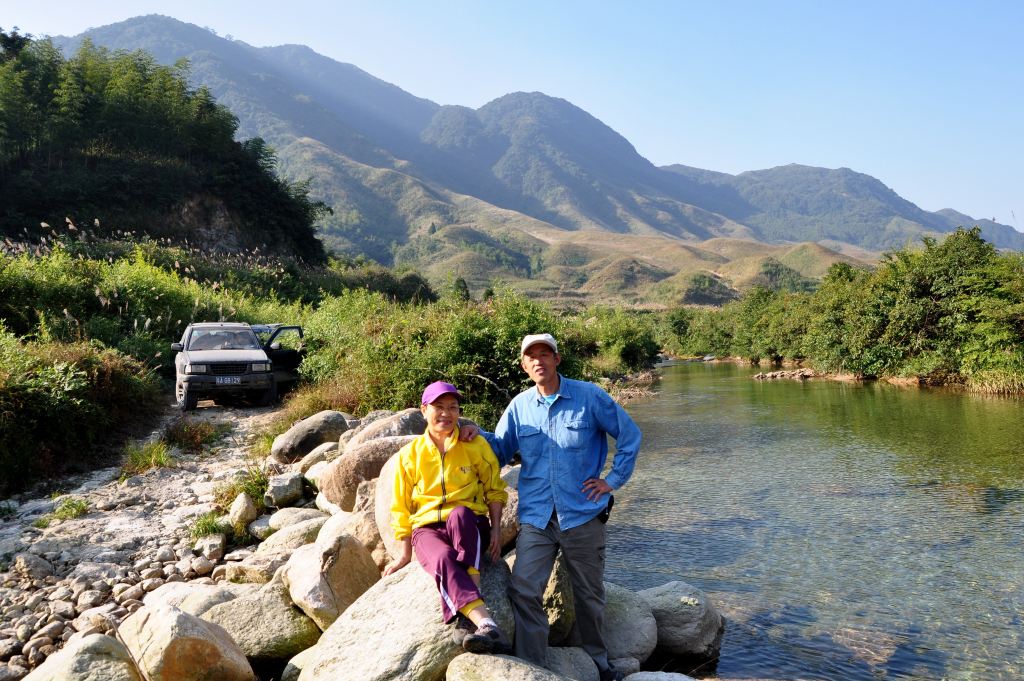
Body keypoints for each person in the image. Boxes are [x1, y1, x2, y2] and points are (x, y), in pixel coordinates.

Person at [464, 333, 641, 681]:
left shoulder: (589, 397)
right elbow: (500, 451)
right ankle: (535, 665)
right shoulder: (519, 406)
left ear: (557, 360)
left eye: (545, 354)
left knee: (589, 595)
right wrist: (474, 432)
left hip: (583, 515)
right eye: (532, 357)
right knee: (524, 589)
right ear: (524, 365)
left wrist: (612, 480)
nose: (539, 361)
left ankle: (598, 664)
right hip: (536, 518)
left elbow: (630, 435)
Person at [383, 381, 512, 654]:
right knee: (442, 558)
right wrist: (404, 555)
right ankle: (486, 623)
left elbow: (495, 490)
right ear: (423, 410)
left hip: (470, 524)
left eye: (453, 407)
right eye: (438, 407)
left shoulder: (474, 444)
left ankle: (468, 614)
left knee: (460, 514)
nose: (446, 413)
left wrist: (498, 532)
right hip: (426, 529)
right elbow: (400, 507)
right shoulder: (409, 456)